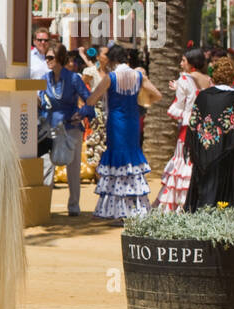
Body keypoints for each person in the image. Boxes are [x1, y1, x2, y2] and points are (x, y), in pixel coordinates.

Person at [85, 44, 161, 219]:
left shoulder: (111, 77)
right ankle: (135, 208)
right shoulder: (138, 76)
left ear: (112, 60)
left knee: (117, 162)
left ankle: (116, 210)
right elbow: (157, 95)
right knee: (132, 160)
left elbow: (92, 99)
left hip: (116, 123)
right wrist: (142, 100)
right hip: (132, 122)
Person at [184, 56, 234, 212]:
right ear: (233, 76)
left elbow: (194, 124)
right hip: (226, 155)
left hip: (203, 154)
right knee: (225, 196)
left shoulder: (203, 96)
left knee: (203, 193)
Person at [153, 48, 212, 212]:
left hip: (187, 131)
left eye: (183, 60)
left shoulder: (185, 79)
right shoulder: (209, 80)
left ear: (191, 63)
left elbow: (175, 109)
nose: (181, 63)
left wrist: (179, 109)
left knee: (181, 166)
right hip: (204, 131)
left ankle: (178, 205)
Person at [40, 41, 93, 215]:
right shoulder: (44, 79)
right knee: (47, 167)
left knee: (73, 168)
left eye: (50, 57)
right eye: (46, 57)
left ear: (60, 59)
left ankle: (74, 206)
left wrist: (82, 113)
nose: (47, 60)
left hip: (71, 127)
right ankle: (43, 207)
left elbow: (89, 99)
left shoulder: (74, 78)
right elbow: (41, 101)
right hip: (49, 127)